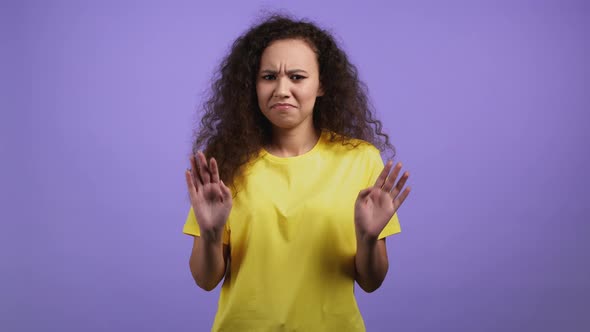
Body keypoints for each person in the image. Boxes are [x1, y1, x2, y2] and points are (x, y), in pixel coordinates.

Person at [183, 14, 411, 332]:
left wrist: (369, 239)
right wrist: (209, 235)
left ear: (322, 85)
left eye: (297, 77)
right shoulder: (224, 162)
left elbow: (371, 282)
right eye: (268, 77)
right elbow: (206, 281)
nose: (281, 89)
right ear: (252, 85)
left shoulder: (361, 160)